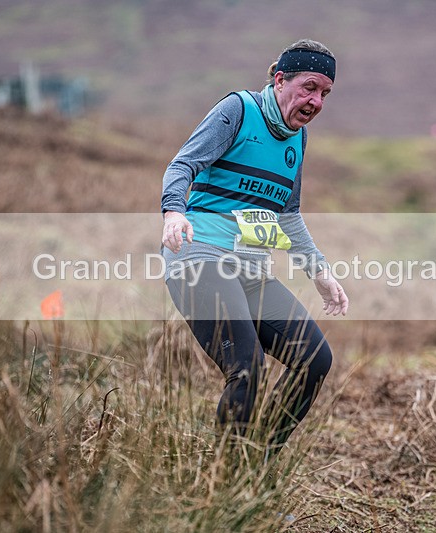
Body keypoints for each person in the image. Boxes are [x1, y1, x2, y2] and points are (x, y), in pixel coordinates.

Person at [160, 39, 348, 457]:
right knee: (248, 368)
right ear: (280, 80)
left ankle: (256, 462)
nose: (316, 101)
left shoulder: (297, 141)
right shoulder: (237, 111)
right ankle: (226, 485)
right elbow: (182, 165)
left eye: (325, 94)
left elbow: (288, 216)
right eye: (309, 87)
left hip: (249, 270)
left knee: (315, 358)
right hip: (199, 257)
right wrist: (174, 212)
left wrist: (320, 272)